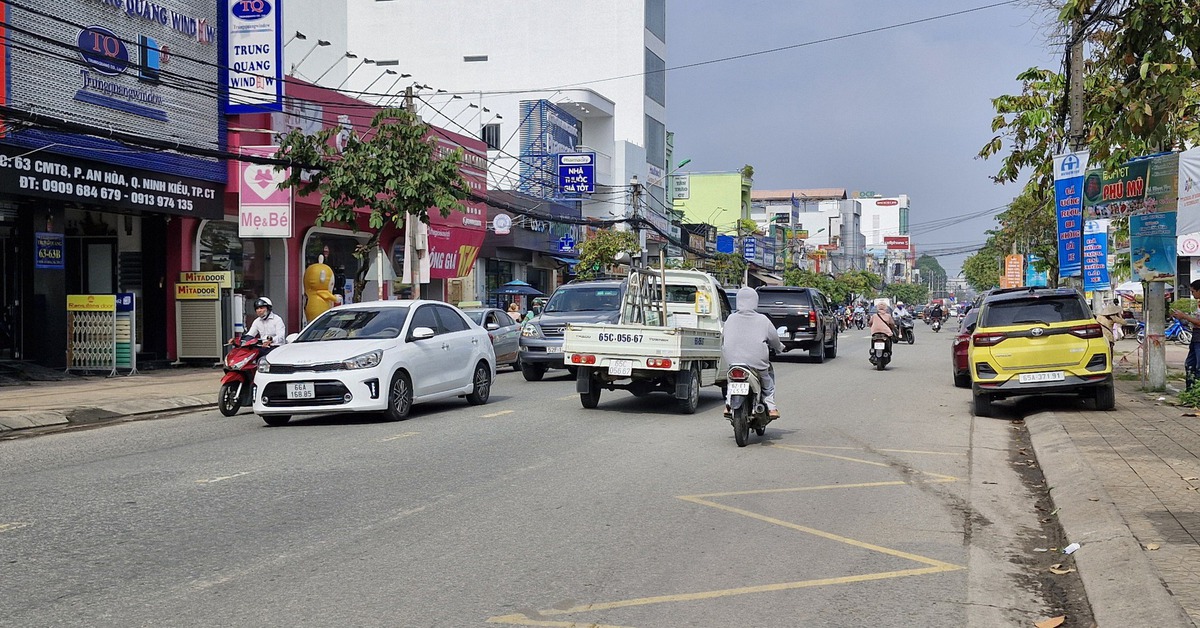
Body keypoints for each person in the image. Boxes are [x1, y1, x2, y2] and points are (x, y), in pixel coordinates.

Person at [722, 287, 785, 419]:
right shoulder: (763, 320)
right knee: (767, 382)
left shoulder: (730, 319)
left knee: (731, 382)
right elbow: (774, 339)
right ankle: (771, 407)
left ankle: (728, 404)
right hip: (757, 362)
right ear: (755, 301)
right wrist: (779, 348)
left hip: (733, 361)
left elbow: (724, 337)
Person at [1170, 280, 1200, 389]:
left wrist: (1184, 316)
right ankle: (1191, 390)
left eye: (1193, 291)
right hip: (1195, 337)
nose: (1192, 294)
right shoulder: (1198, 304)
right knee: (1190, 365)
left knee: (1198, 366)